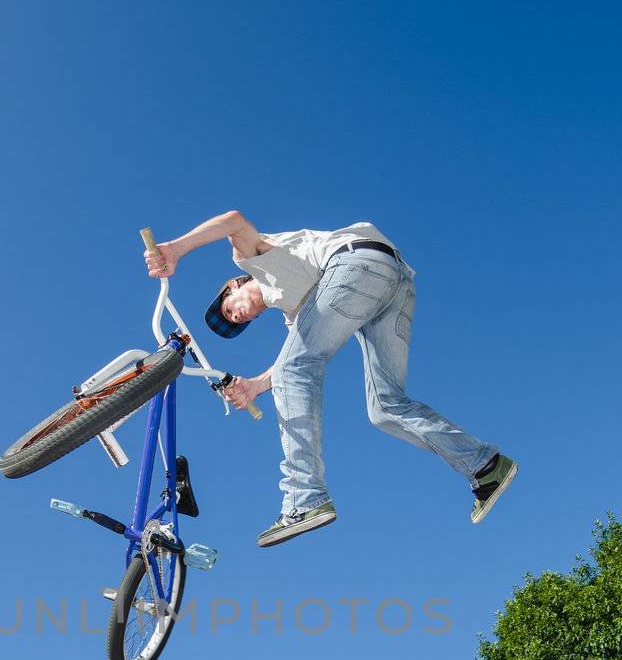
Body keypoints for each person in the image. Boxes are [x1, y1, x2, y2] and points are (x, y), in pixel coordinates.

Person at [144, 210, 517, 547]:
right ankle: (485, 466)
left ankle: (304, 497)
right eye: (238, 321)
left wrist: (176, 248)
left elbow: (233, 221)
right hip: (393, 280)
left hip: (354, 262)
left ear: (234, 285)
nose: (238, 316)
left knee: (297, 368)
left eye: (231, 307)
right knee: (385, 407)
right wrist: (255, 385)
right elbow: (294, 358)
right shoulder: (296, 311)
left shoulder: (253, 257)